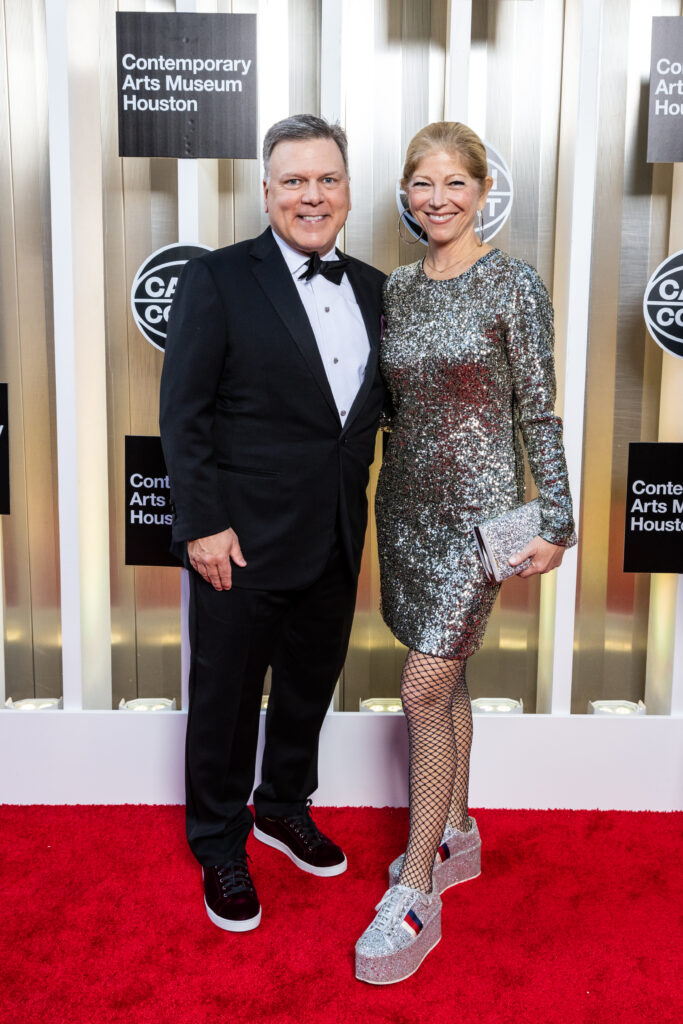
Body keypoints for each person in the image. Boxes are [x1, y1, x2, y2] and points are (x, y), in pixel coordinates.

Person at [354, 122, 576, 984]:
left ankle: (415, 889)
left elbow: (536, 414)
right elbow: (385, 405)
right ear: (405, 196)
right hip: (404, 507)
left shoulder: (513, 285)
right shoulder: (397, 291)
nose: (436, 199)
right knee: (448, 679)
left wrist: (553, 517)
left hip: (485, 523)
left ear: (482, 190)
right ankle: (456, 834)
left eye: (453, 183)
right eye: (421, 184)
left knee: (420, 682)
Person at [160, 115, 385, 933]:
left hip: (333, 532)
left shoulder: (371, 286)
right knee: (224, 699)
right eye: (293, 181)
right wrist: (203, 524)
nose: (311, 196)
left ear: (348, 190)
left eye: (326, 179)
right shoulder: (216, 279)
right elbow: (182, 414)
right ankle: (218, 842)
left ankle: (282, 804)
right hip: (239, 539)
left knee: (306, 685)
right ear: (266, 191)